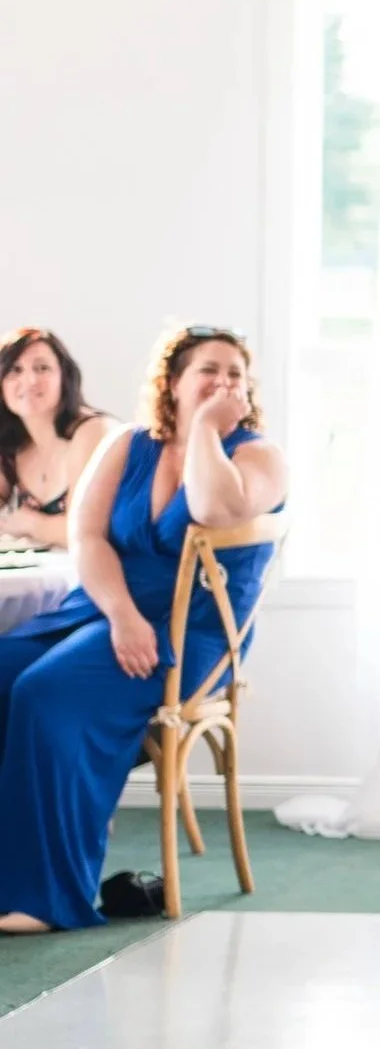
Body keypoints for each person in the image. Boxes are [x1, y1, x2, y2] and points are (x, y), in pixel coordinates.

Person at [0, 326, 285, 933]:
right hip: (106, 610)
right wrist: (122, 616)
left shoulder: (258, 455)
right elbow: (88, 537)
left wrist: (206, 429)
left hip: (191, 636)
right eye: (208, 370)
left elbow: (211, 508)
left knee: (44, 693)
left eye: (235, 373)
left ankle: (49, 898)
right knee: (5, 671)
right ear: (173, 382)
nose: (224, 383)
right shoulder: (129, 446)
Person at [0, 327, 110, 549]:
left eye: (42, 368)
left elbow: (85, 531)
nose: (30, 380)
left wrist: (28, 522)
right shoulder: (11, 444)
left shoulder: (91, 431)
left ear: (64, 377)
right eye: (15, 370)